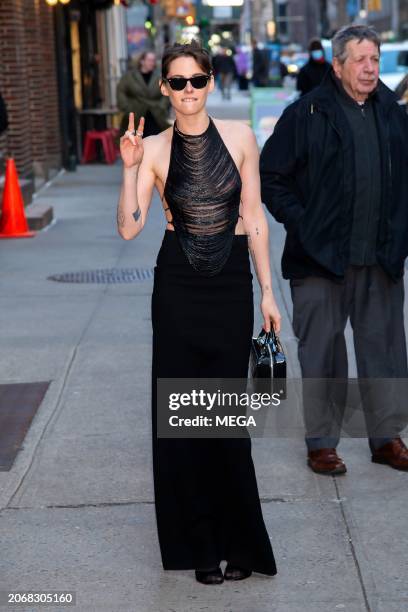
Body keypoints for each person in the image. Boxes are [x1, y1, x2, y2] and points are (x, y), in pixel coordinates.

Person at [116, 40, 280, 585]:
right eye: (177, 82)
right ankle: (201, 545)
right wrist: (129, 169)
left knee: (227, 422)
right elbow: (129, 227)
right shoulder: (156, 149)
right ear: (164, 87)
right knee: (186, 422)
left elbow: (254, 217)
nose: (188, 91)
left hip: (231, 283)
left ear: (211, 81)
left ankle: (241, 543)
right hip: (179, 289)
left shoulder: (241, 137)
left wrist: (267, 292)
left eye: (197, 80)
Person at [260, 25, 408, 475]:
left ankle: (386, 438)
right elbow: (272, 177)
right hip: (320, 260)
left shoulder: (393, 114)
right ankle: (322, 444)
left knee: (384, 351)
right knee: (322, 351)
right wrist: (303, 225)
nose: (369, 68)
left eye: (375, 59)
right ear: (338, 64)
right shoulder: (306, 114)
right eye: (360, 59)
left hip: (379, 259)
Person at [117, 51, 169, 138]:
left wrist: (162, 106)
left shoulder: (159, 77)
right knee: (135, 143)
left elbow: (167, 92)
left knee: (157, 143)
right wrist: (126, 107)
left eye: (153, 60)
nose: (152, 63)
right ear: (142, 61)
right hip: (136, 115)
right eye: (149, 60)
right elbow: (121, 91)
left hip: (156, 116)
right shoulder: (130, 76)